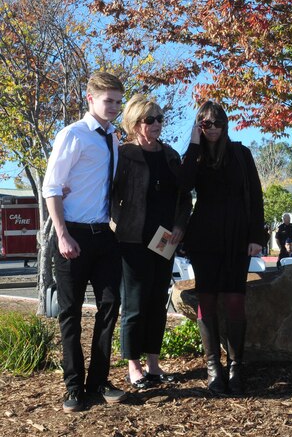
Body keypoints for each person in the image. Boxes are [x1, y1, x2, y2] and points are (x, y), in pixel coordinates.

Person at [42, 72, 126, 412]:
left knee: (109, 307)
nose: (114, 107)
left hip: (103, 235)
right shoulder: (73, 135)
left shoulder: (113, 137)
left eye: (118, 102)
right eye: (109, 101)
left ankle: (99, 381)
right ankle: (74, 388)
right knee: (70, 314)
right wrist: (62, 235)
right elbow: (52, 187)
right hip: (72, 235)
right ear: (89, 98)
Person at [180, 101, 265, 395]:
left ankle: (236, 366)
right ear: (199, 127)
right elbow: (182, 185)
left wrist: (257, 235)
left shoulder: (241, 154)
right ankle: (213, 366)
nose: (212, 128)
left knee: (233, 301)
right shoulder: (196, 156)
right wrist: (193, 142)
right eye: (205, 124)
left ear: (225, 125)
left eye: (217, 123)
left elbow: (255, 195)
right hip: (204, 237)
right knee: (206, 300)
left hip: (238, 236)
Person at [112, 95, 192, 389]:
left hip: (165, 241)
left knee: (158, 302)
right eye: (150, 119)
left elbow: (185, 198)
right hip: (132, 240)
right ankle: (134, 368)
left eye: (160, 118)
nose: (157, 124)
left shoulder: (171, 155)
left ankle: (153, 365)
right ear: (135, 123)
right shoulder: (124, 155)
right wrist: (118, 225)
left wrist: (180, 226)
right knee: (135, 304)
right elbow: (110, 197)